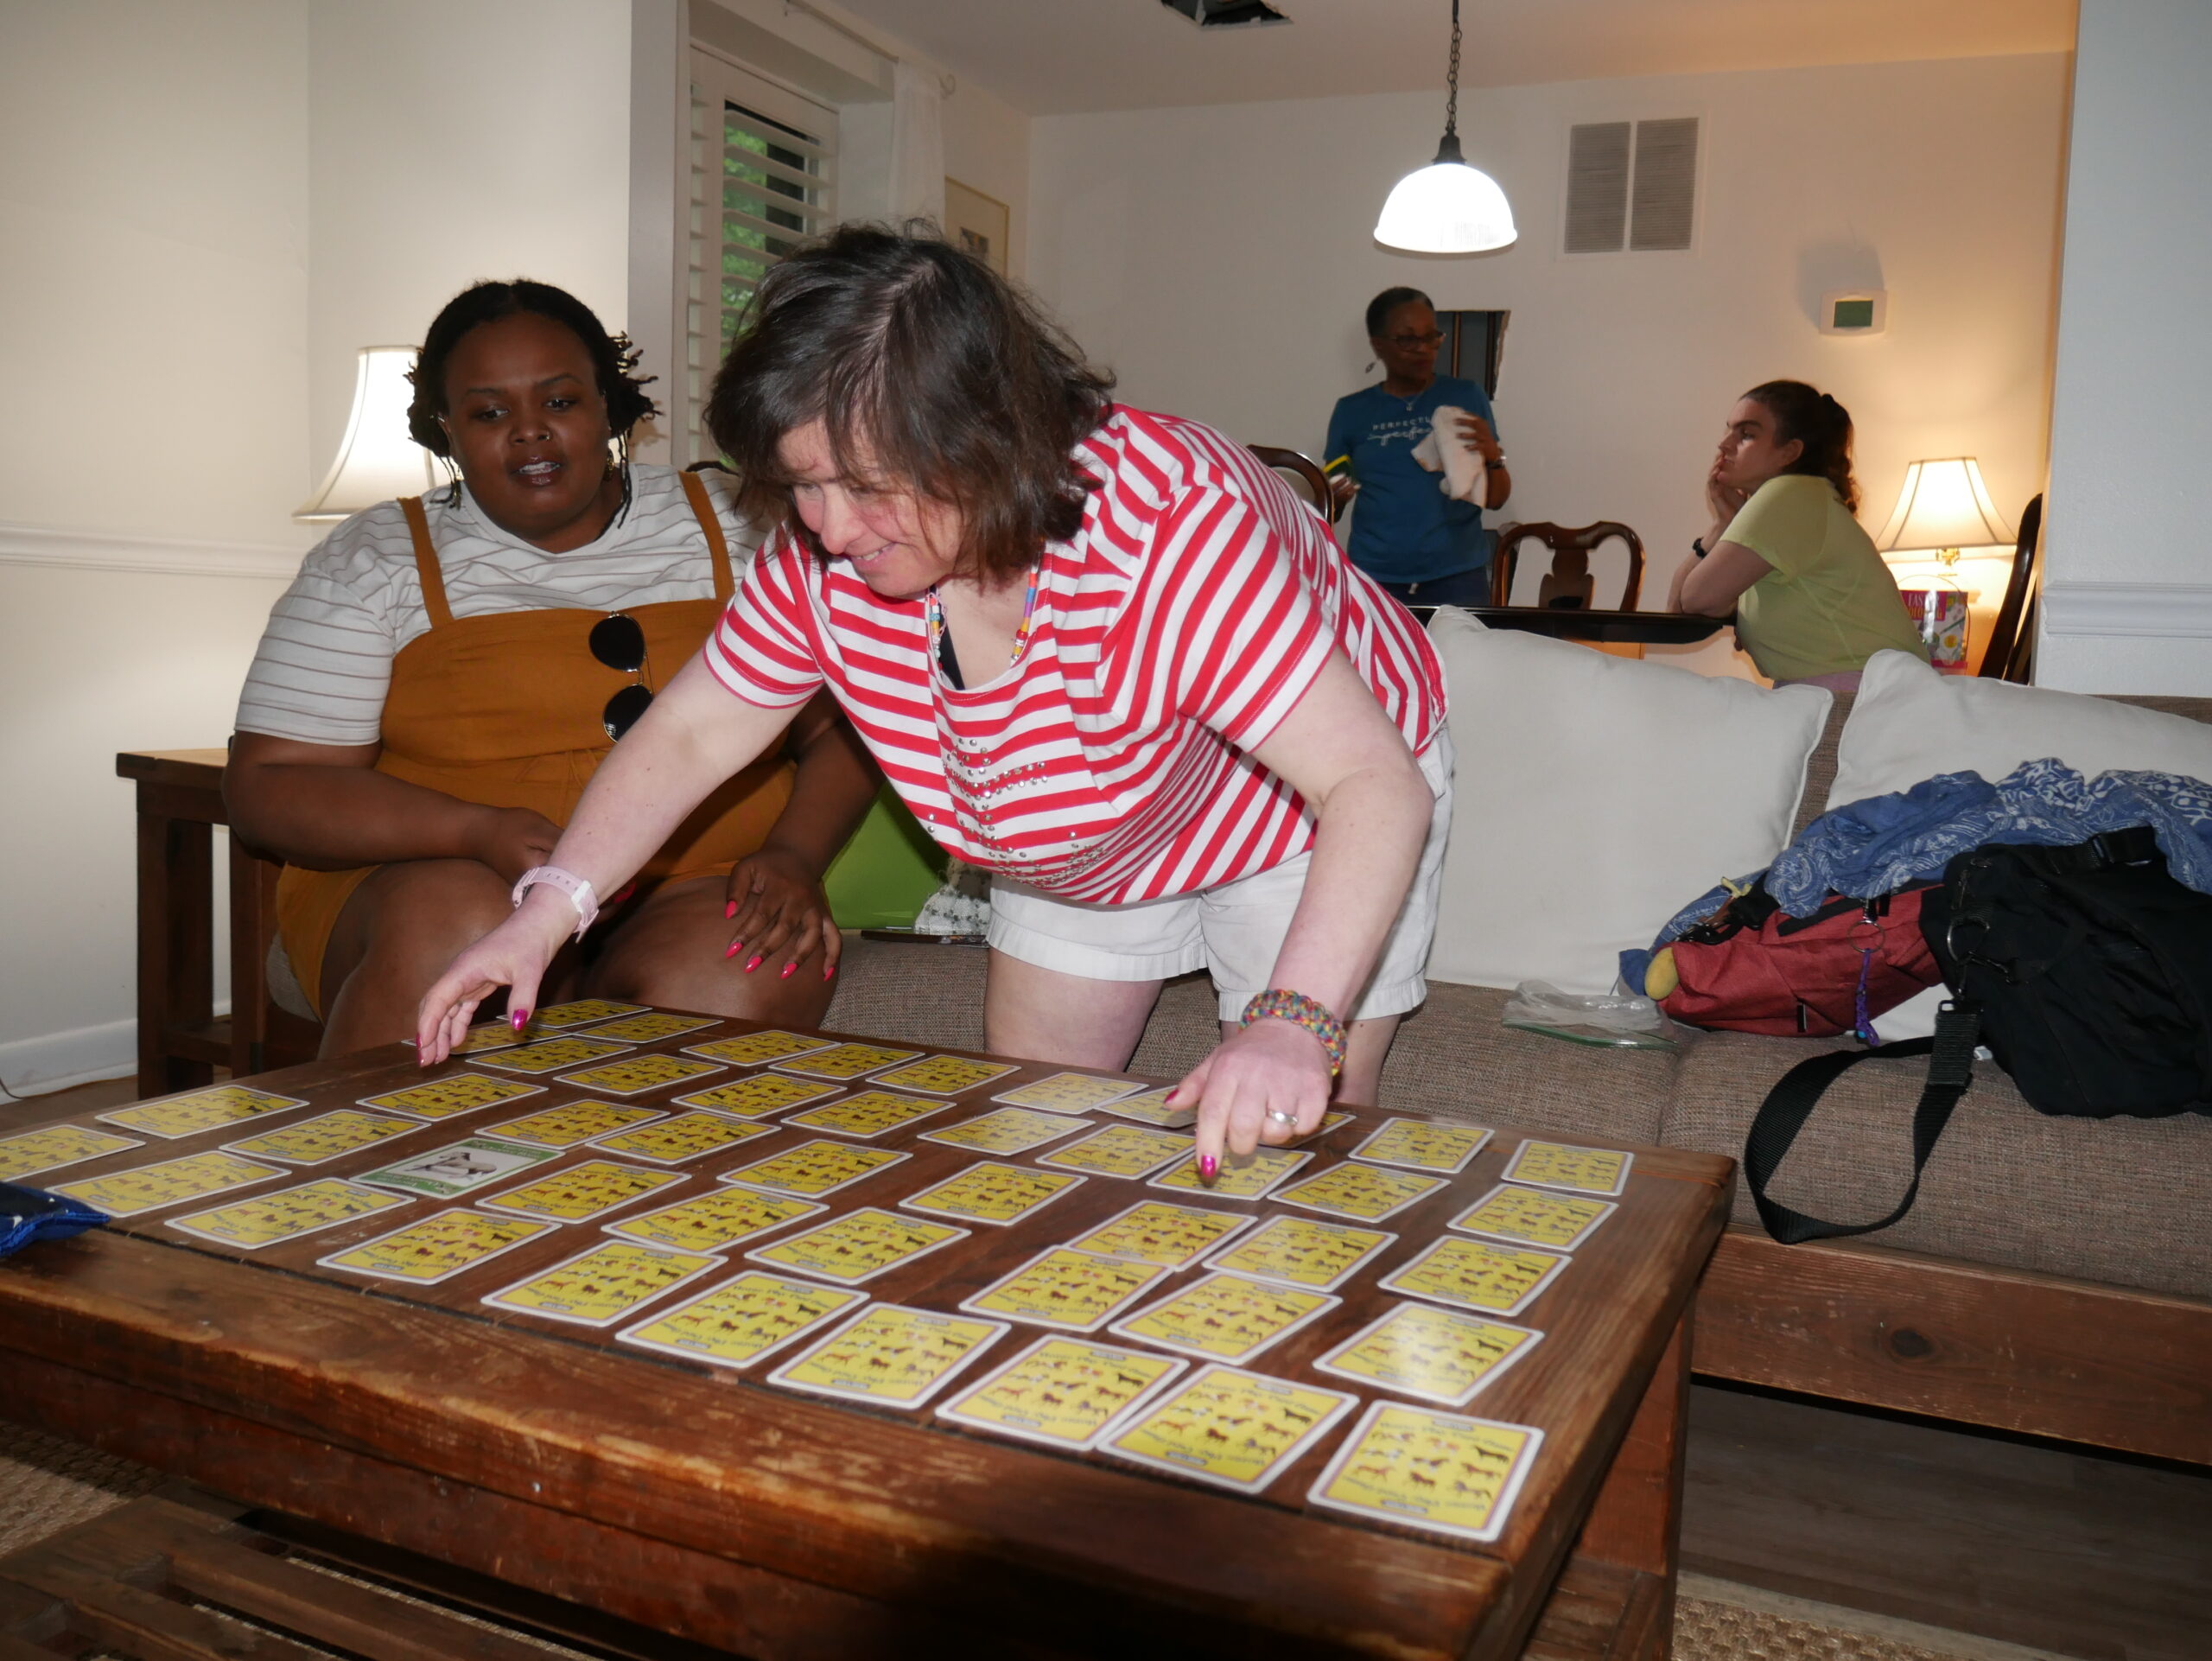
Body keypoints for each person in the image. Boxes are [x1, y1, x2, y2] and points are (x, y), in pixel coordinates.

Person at [415, 228, 1453, 1180]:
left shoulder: (1172, 531)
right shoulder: (823, 547)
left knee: (1285, 1150)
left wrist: (1288, 1021)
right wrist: (548, 912)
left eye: (865, 488)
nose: (828, 530)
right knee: (1035, 1139)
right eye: (802, 485)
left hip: (1294, 810)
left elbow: (1371, 784)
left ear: (985, 437)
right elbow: (690, 730)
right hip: (1081, 829)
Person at [226, 279, 881, 1056]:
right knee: (464, 928)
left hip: (698, 879)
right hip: (441, 881)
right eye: (490, 412)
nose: (530, 434)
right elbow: (270, 784)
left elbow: (846, 722)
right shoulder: (372, 558)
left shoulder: (739, 523)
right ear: (446, 429)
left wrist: (794, 855)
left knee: (746, 969)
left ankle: (648, 1178)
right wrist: (475, 830)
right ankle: (381, 1171)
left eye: (561, 403)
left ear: (609, 405)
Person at [1666, 380, 1927, 690]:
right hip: (1863, 690)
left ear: (1789, 452)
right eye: (1728, 431)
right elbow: (1680, 616)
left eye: (1746, 434)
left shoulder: (1790, 494)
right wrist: (1722, 525)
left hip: (1864, 696)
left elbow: (1696, 598)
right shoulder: (1799, 501)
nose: (1724, 445)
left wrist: (1725, 528)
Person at [1324, 287, 1511, 606]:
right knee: (1379, 658)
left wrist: (1494, 457)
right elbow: (1330, 503)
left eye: (1431, 337)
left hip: (1457, 575)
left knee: (1465, 657)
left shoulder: (1465, 397)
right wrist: (1335, 497)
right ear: (1378, 345)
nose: (1424, 349)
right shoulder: (1351, 412)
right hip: (1376, 578)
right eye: (1408, 340)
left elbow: (1495, 500)